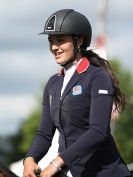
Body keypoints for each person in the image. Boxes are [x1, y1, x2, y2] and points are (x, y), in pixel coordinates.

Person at [23, 9, 132, 177]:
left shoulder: (97, 77)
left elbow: (98, 131)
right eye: (51, 41)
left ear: (79, 41)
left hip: (104, 173)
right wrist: (30, 158)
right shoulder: (52, 84)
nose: (54, 47)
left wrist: (56, 163)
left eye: (60, 41)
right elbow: (44, 134)